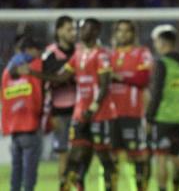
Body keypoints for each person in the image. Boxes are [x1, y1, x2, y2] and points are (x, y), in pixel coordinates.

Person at [22, 18, 118, 191]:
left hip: (100, 115)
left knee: (104, 157)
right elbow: (60, 77)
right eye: (80, 29)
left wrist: (94, 107)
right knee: (74, 156)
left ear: (95, 31)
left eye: (85, 29)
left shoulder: (102, 54)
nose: (80, 33)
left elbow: (105, 85)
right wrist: (32, 72)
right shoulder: (79, 53)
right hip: (80, 114)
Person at [146, 24, 179, 191]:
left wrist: (149, 117)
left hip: (164, 116)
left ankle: (169, 186)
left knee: (162, 156)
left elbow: (157, 93)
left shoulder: (162, 63)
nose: (155, 45)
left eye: (156, 42)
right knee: (175, 154)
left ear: (162, 42)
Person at [110, 20, 153, 191]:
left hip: (133, 114)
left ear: (133, 34)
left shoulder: (142, 53)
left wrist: (119, 77)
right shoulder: (109, 55)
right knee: (112, 157)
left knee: (138, 157)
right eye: (119, 31)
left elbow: (143, 79)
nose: (123, 34)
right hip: (111, 114)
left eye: (127, 31)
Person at [1, 37, 44, 191]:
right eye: (37, 50)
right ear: (29, 50)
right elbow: (39, 96)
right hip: (30, 125)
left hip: (14, 128)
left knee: (16, 170)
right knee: (29, 172)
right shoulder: (34, 67)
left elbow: (4, 100)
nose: (39, 54)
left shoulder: (6, 72)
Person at [41, 15, 77, 184]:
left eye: (74, 29)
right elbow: (49, 77)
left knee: (79, 154)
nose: (73, 33)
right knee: (63, 153)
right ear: (59, 30)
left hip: (80, 110)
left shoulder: (80, 51)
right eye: (69, 29)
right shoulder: (50, 53)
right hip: (60, 110)